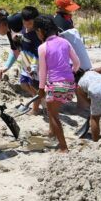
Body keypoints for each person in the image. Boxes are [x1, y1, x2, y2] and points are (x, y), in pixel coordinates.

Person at [35, 15, 80, 153]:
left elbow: (42, 72)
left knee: (53, 115)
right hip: (70, 84)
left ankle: (63, 147)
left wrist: (41, 89)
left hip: (55, 84)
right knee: (53, 110)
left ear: (40, 31)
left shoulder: (42, 47)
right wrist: (70, 73)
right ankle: (53, 134)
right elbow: (77, 63)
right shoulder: (65, 42)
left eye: (37, 32)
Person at [0, 7, 42, 115]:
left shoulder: (14, 22)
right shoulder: (10, 31)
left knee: (33, 83)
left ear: (0, 24)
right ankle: (39, 99)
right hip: (27, 58)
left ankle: (36, 107)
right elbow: (15, 50)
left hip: (35, 57)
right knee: (24, 83)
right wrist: (6, 66)